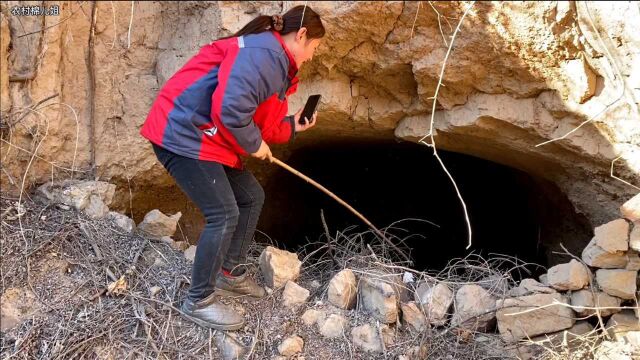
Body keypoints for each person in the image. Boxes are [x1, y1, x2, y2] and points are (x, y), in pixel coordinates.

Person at [139, 5, 325, 330]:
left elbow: (261, 126)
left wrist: (293, 125)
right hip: (183, 134)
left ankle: (229, 272)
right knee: (223, 214)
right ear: (302, 34)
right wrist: (254, 145)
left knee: (251, 196)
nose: (311, 57)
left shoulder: (274, 64)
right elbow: (229, 110)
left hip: (208, 142)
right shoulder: (264, 54)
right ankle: (198, 301)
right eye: (314, 48)